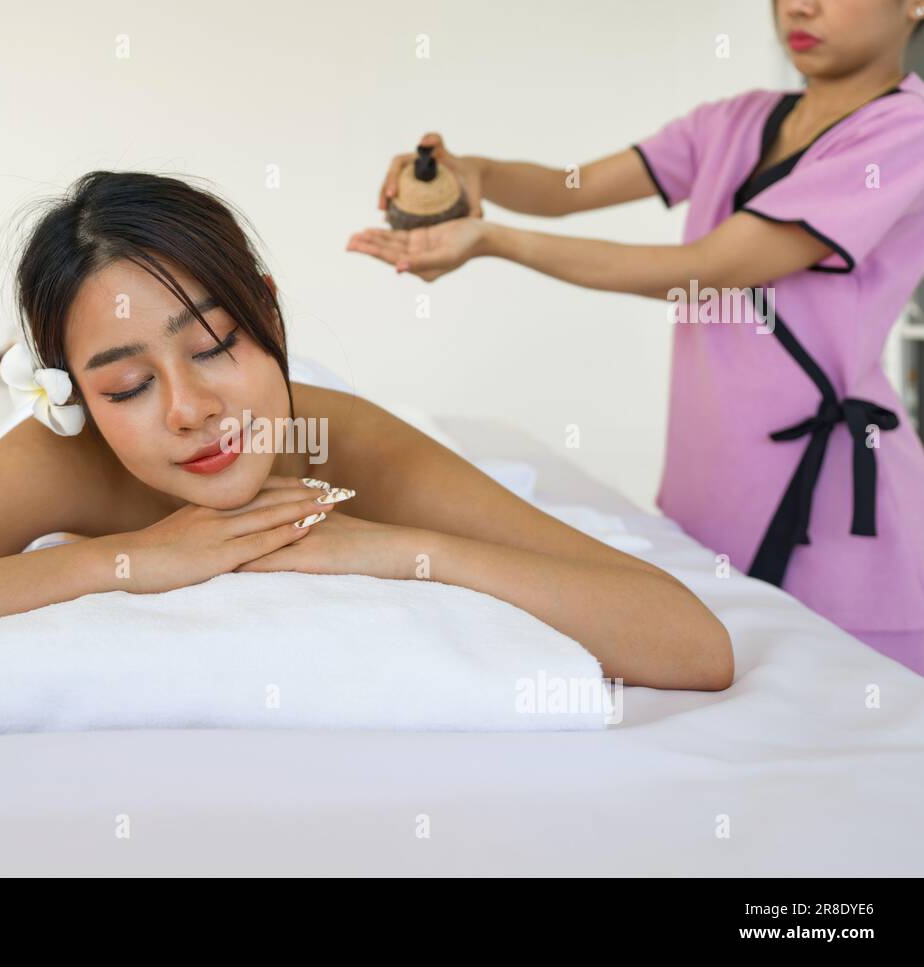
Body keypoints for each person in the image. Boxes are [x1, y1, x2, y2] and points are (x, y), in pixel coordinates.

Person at [0, 171, 731, 692]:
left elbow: (690, 643)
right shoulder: (64, 457)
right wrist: (125, 561)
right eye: (128, 384)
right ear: (75, 397)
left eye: (215, 344)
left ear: (266, 311)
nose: (188, 409)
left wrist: (399, 551)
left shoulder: (349, 445)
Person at [348, 1, 924, 673]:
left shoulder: (904, 134)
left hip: (840, 520)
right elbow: (575, 186)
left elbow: (702, 271)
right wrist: (479, 172)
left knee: (852, 731)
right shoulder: (736, 120)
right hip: (712, 481)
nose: (799, 5)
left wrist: (494, 239)